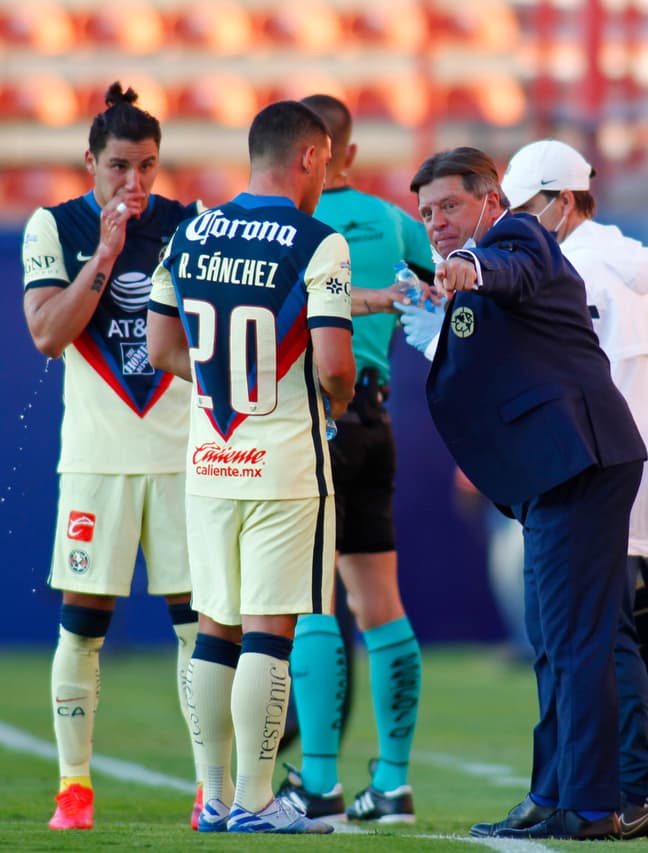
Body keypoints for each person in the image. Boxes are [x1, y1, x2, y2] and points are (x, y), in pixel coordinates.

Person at [404, 147, 647, 841]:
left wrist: (470, 269)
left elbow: (511, 266)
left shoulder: (518, 235)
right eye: (426, 212)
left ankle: (593, 805)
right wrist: (439, 325)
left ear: (490, 199)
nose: (437, 222)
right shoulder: (479, 272)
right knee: (554, 640)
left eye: (449, 205)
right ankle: (553, 791)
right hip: (554, 468)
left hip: (580, 459)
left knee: (575, 639)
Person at [146, 99, 355, 835]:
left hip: (209, 454)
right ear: (308, 156)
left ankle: (212, 794)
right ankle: (258, 799)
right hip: (283, 460)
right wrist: (338, 396)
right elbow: (333, 366)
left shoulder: (191, 231)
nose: (325, 176)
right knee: (270, 631)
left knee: (214, 629)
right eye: (326, 162)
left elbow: (162, 347)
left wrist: (219, 385)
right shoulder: (318, 243)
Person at [19, 82, 207, 831]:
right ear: (90, 161)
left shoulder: (189, 227)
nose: (135, 183)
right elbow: (48, 335)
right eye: (120, 166)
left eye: (149, 167)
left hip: (181, 457)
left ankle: (210, 785)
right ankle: (74, 787)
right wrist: (103, 254)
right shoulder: (53, 227)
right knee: (82, 625)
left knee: (199, 625)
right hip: (97, 458)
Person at [499, 137, 648, 839]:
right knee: (589, 636)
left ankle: (626, 788)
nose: (516, 223)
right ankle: (588, 786)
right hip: (612, 464)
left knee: (600, 638)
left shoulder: (583, 267)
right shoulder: (607, 262)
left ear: (562, 200)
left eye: (525, 208)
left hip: (594, 468)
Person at [272, 93, 430, 824]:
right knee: (383, 608)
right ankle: (392, 782)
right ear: (349, 154)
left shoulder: (286, 229)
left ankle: (321, 781)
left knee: (312, 604)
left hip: (313, 419)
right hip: (377, 418)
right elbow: (438, 291)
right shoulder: (396, 222)